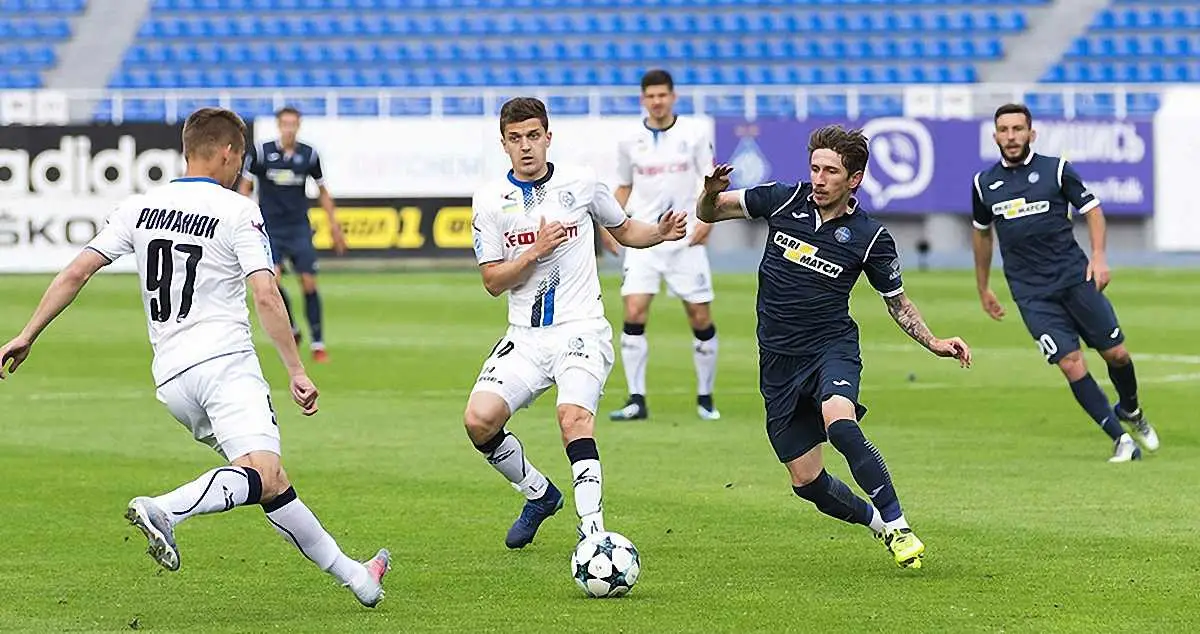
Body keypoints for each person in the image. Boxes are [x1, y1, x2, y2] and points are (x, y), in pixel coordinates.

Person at [0, 107, 389, 606]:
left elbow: (77, 272)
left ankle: (358, 578)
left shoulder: (140, 207)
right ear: (227, 153)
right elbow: (266, 294)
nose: (240, 168)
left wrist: (28, 333)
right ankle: (165, 509)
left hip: (172, 380)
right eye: (240, 159)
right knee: (261, 473)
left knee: (268, 480)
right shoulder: (238, 211)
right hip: (224, 364)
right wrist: (296, 369)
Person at [696, 125, 973, 570]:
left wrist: (935, 342)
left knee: (841, 423)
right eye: (815, 168)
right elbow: (710, 213)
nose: (819, 179)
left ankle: (899, 524)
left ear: (854, 179)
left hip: (831, 348)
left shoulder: (871, 238)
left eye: (830, 171)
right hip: (778, 361)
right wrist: (711, 192)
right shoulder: (783, 199)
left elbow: (898, 304)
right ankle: (880, 527)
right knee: (807, 482)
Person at [466, 97, 687, 548]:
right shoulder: (488, 200)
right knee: (479, 421)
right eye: (515, 139)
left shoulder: (582, 183)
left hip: (581, 328)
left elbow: (624, 229)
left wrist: (659, 233)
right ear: (503, 144)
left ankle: (593, 533)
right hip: (524, 337)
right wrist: (533, 252)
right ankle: (539, 494)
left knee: (573, 418)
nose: (525, 146)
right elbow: (492, 281)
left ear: (548, 137)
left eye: (533, 136)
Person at [971, 103, 1160, 463]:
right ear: (995, 136)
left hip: (1075, 279)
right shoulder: (984, 184)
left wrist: (1099, 257)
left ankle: (1131, 410)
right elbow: (981, 234)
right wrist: (983, 287)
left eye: (1017, 129)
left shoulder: (1056, 170)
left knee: (1117, 354)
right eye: (1004, 130)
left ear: (1031, 133)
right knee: (1071, 363)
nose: (1011, 136)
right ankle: (1121, 440)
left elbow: (1093, 210)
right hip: (1031, 293)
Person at [601, 69, 721, 423]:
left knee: (699, 316)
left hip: (686, 236)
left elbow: (710, 182)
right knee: (634, 311)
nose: (657, 101)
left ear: (673, 97)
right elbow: (623, 185)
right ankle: (636, 398)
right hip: (645, 237)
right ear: (643, 99)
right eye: (651, 96)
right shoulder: (629, 140)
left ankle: (706, 398)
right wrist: (610, 224)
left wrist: (708, 220)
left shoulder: (694, 134)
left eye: (662, 95)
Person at [239, 106, 347, 363]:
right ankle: (293, 327)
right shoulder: (261, 152)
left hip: (298, 227)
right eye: (285, 124)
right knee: (273, 280)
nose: (289, 128)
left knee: (308, 282)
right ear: (278, 125)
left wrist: (334, 225)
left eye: (293, 124)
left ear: (298, 126)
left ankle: (318, 342)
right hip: (270, 228)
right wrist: (242, 220)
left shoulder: (309, 155)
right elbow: (245, 187)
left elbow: (322, 191)